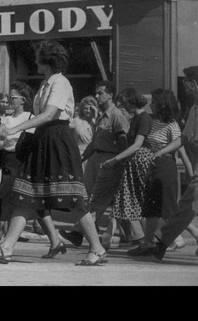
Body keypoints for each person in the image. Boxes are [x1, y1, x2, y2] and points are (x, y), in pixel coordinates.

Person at [0, 40, 106, 265]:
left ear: (48, 60)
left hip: (57, 141)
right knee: (26, 196)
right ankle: (6, 248)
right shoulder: (47, 82)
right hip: (43, 140)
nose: (35, 60)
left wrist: (16, 128)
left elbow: (49, 115)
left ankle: (97, 248)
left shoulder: (61, 82)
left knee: (72, 198)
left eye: (38, 57)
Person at [0, 81, 63, 257]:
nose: (10, 101)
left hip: (21, 163)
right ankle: (56, 241)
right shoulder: (6, 118)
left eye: (13, 98)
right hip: (5, 162)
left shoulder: (30, 118)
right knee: (27, 204)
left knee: (11, 202)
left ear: (23, 100)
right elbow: (0, 144)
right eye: (9, 97)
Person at [60, 80, 128, 249]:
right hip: (97, 160)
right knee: (105, 201)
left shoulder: (116, 115)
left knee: (97, 201)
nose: (97, 96)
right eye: (96, 93)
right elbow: (94, 143)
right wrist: (81, 158)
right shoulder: (100, 117)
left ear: (110, 95)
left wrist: (118, 162)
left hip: (110, 161)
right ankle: (135, 236)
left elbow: (124, 142)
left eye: (100, 93)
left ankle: (79, 233)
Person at [121, 89, 183, 256]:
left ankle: (176, 238)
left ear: (163, 104)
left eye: (156, 102)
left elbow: (179, 142)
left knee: (168, 208)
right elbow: (143, 100)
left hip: (165, 166)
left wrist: (162, 152)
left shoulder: (172, 124)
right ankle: (147, 244)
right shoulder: (154, 121)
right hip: (153, 165)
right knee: (150, 209)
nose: (152, 104)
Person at [153, 66, 198, 260]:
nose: (186, 86)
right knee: (189, 203)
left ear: (194, 83)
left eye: (187, 81)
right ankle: (162, 241)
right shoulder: (195, 107)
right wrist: (162, 151)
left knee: (188, 203)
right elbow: (185, 138)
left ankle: (162, 241)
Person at [99, 87, 152, 249]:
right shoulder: (133, 118)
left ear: (131, 101)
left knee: (138, 200)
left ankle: (157, 237)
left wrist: (115, 159)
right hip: (130, 161)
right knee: (124, 197)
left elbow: (137, 145)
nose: (121, 104)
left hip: (140, 161)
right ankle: (121, 236)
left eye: (124, 101)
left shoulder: (144, 118)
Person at [71, 96, 98, 164]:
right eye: (85, 108)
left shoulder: (97, 122)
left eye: (91, 108)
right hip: (79, 155)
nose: (88, 111)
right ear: (81, 109)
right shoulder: (76, 121)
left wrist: (96, 117)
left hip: (94, 157)